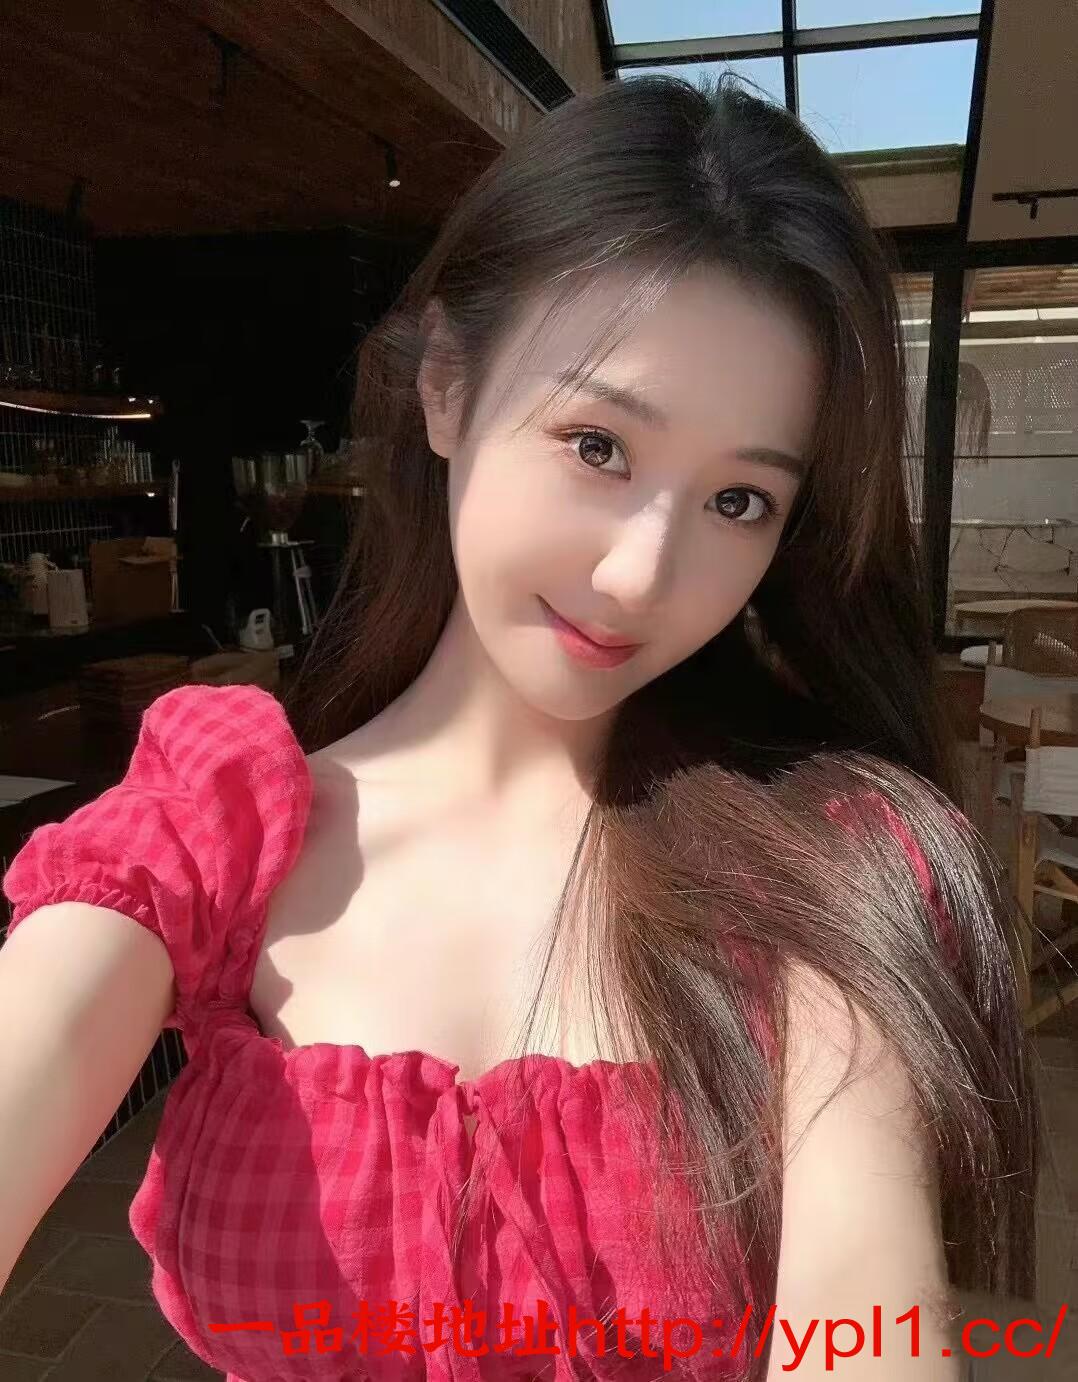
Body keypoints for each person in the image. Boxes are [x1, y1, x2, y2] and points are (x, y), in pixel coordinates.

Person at [0, 74, 1037, 1380]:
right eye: (598, 445)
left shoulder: (819, 859)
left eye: (737, 502)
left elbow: (862, 1316)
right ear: (446, 385)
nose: (639, 575)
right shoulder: (220, 825)